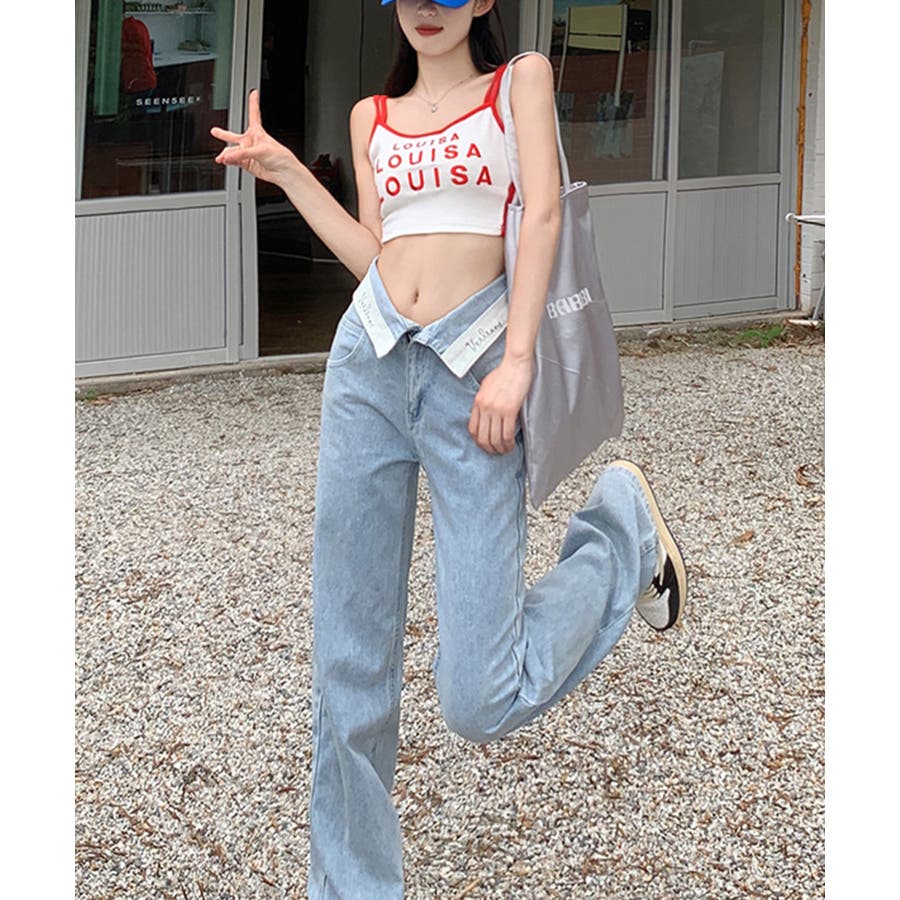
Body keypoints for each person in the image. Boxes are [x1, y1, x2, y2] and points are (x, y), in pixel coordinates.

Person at [211, 2, 687, 897]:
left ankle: (621, 534)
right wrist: (287, 173)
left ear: (484, 1)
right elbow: (376, 253)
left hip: (476, 377)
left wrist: (518, 362)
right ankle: (351, 886)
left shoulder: (519, 83)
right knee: (348, 661)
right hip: (369, 365)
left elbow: (541, 219)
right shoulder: (371, 118)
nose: (428, 9)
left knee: (480, 695)